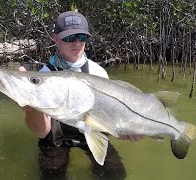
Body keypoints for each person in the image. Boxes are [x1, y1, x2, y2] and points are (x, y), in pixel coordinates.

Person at [19, 11, 143, 179]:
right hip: (56, 140)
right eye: (70, 37)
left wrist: (122, 129)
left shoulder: (97, 72)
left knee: (116, 174)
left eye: (82, 37)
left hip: (91, 131)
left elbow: (108, 118)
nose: (77, 43)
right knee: (52, 175)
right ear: (55, 38)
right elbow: (42, 132)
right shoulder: (43, 76)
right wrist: (31, 108)